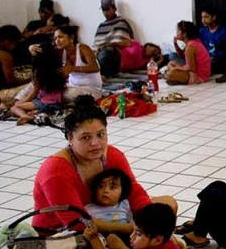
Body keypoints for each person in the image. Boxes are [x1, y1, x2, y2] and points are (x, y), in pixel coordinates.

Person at [31, 95, 177, 232]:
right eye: (85, 138)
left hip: (106, 214)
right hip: (61, 233)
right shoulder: (56, 171)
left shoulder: (112, 155)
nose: (95, 144)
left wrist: (149, 221)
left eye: (100, 135)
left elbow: (133, 191)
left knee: (168, 205)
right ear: (70, 138)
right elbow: (77, 223)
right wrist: (134, 229)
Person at [8, 49, 65, 125]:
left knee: (14, 108)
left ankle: (26, 117)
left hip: (43, 102)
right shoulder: (58, 70)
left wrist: (22, 102)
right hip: (57, 103)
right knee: (21, 105)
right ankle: (33, 113)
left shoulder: (39, 73)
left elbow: (34, 91)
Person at [49, 25, 103, 102]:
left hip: (92, 89)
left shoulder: (83, 48)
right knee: (50, 91)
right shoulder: (61, 51)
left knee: (62, 95)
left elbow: (95, 68)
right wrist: (31, 47)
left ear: (71, 38)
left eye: (60, 37)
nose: (57, 41)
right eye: (55, 39)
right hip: (72, 87)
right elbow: (45, 49)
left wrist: (73, 68)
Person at [93, 0, 137, 78]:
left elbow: (128, 42)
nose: (106, 13)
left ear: (114, 9)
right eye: (104, 10)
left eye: (108, 9)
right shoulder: (101, 26)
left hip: (115, 55)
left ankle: (97, 73)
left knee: (109, 51)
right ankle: (97, 72)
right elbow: (96, 45)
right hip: (100, 54)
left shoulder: (121, 22)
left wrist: (110, 44)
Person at [165, 20, 211, 85]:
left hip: (198, 77)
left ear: (184, 34)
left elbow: (191, 69)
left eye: (178, 31)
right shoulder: (193, 42)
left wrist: (176, 68)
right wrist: (175, 44)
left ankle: (170, 76)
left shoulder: (190, 47)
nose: (176, 33)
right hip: (194, 72)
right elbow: (182, 57)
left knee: (171, 74)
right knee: (171, 63)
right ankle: (172, 77)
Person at [197, 9, 226, 75]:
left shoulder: (222, 31)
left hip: (218, 60)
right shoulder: (202, 31)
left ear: (214, 17)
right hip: (205, 58)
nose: (203, 20)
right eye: (202, 17)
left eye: (206, 17)